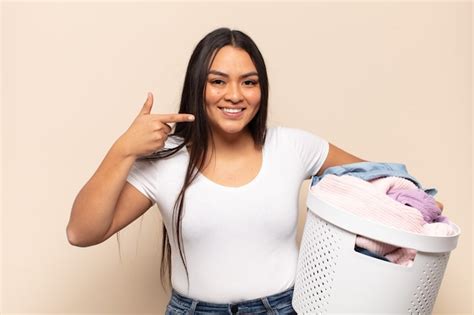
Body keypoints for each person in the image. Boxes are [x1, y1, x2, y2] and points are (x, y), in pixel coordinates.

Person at [66, 27, 442, 314]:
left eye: (249, 82)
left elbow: (383, 179)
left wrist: (418, 211)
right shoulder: (168, 159)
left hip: (282, 307)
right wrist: (122, 150)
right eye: (218, 81)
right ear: (198, 86)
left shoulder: (292, 147)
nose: (235, 95)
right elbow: (82, 232)